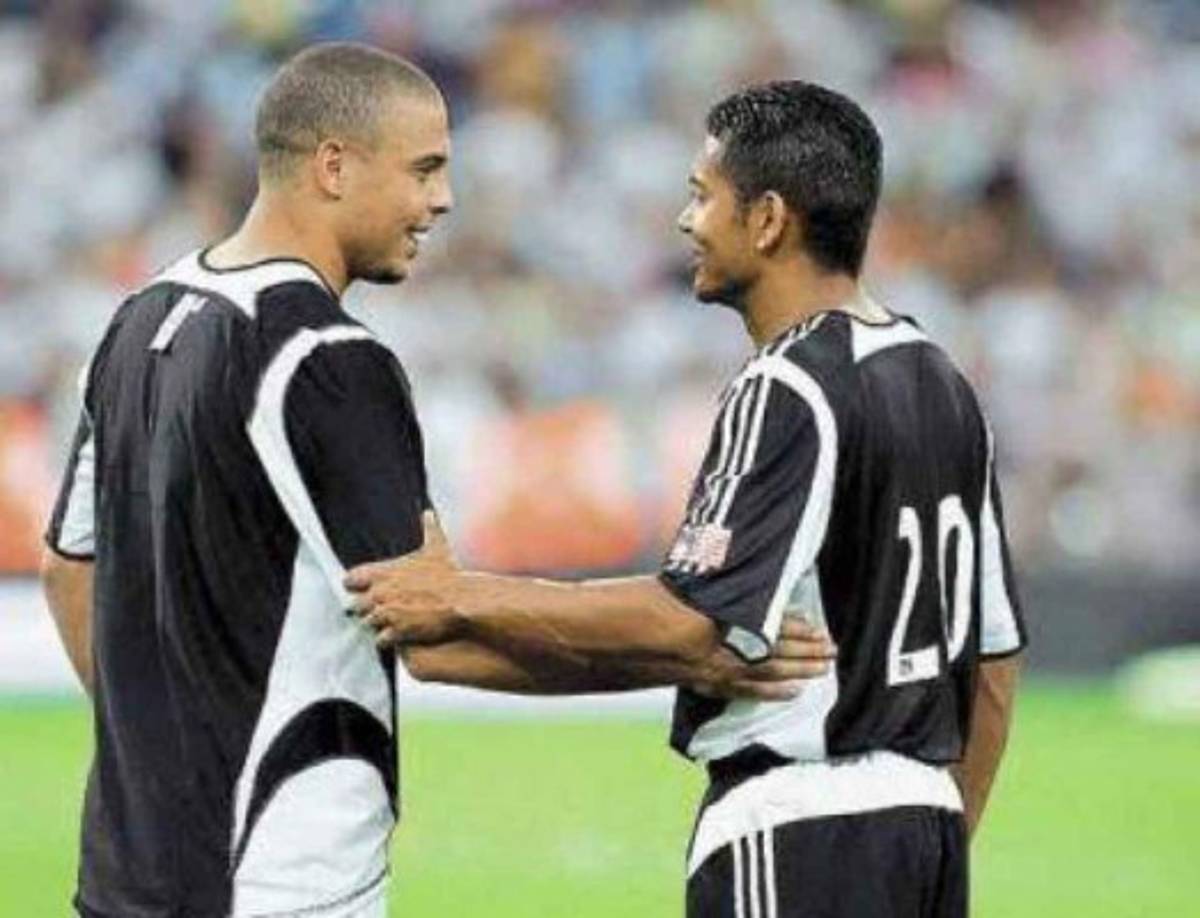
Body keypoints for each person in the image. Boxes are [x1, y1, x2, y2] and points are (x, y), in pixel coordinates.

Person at [40, 43, 825, 918]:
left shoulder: (139, 318)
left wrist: (159, 766)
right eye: (423, 170)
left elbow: (69, 570)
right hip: (277, 880)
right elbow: (434, 631)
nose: (442, 200)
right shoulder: (328, 358)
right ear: (333, 166)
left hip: (123, 879)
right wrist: (691, 652)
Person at [348, 80, 1025, 918]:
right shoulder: (943, 382)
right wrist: (940, 838)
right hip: (925, 829)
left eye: (703, 195)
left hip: (795, 828)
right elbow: (993, 668)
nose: (685, 220)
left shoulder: (787, 384)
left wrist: (461, 597)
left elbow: (687, 625)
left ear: (768, 219)